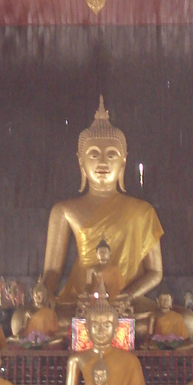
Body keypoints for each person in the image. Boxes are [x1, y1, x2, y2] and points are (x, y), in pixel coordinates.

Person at [42, 97, 164, 307]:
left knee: (185, 321)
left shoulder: (142, 211)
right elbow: (52, 272)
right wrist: (42, 293)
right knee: (21, 320)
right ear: (81, 161)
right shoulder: (64, 211)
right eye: (94, 154)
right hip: (80, 302)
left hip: (127, 302)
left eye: (111, 155)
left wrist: (128, 295)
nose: (102, 162)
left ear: (123, 161)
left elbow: (155, 272)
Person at [65, 280, 157, 385]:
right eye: (95, 326)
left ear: (115, 330)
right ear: (87, 329)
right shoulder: (76, 359)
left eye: (106, 325)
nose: (101, 331)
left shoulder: (130, 360)